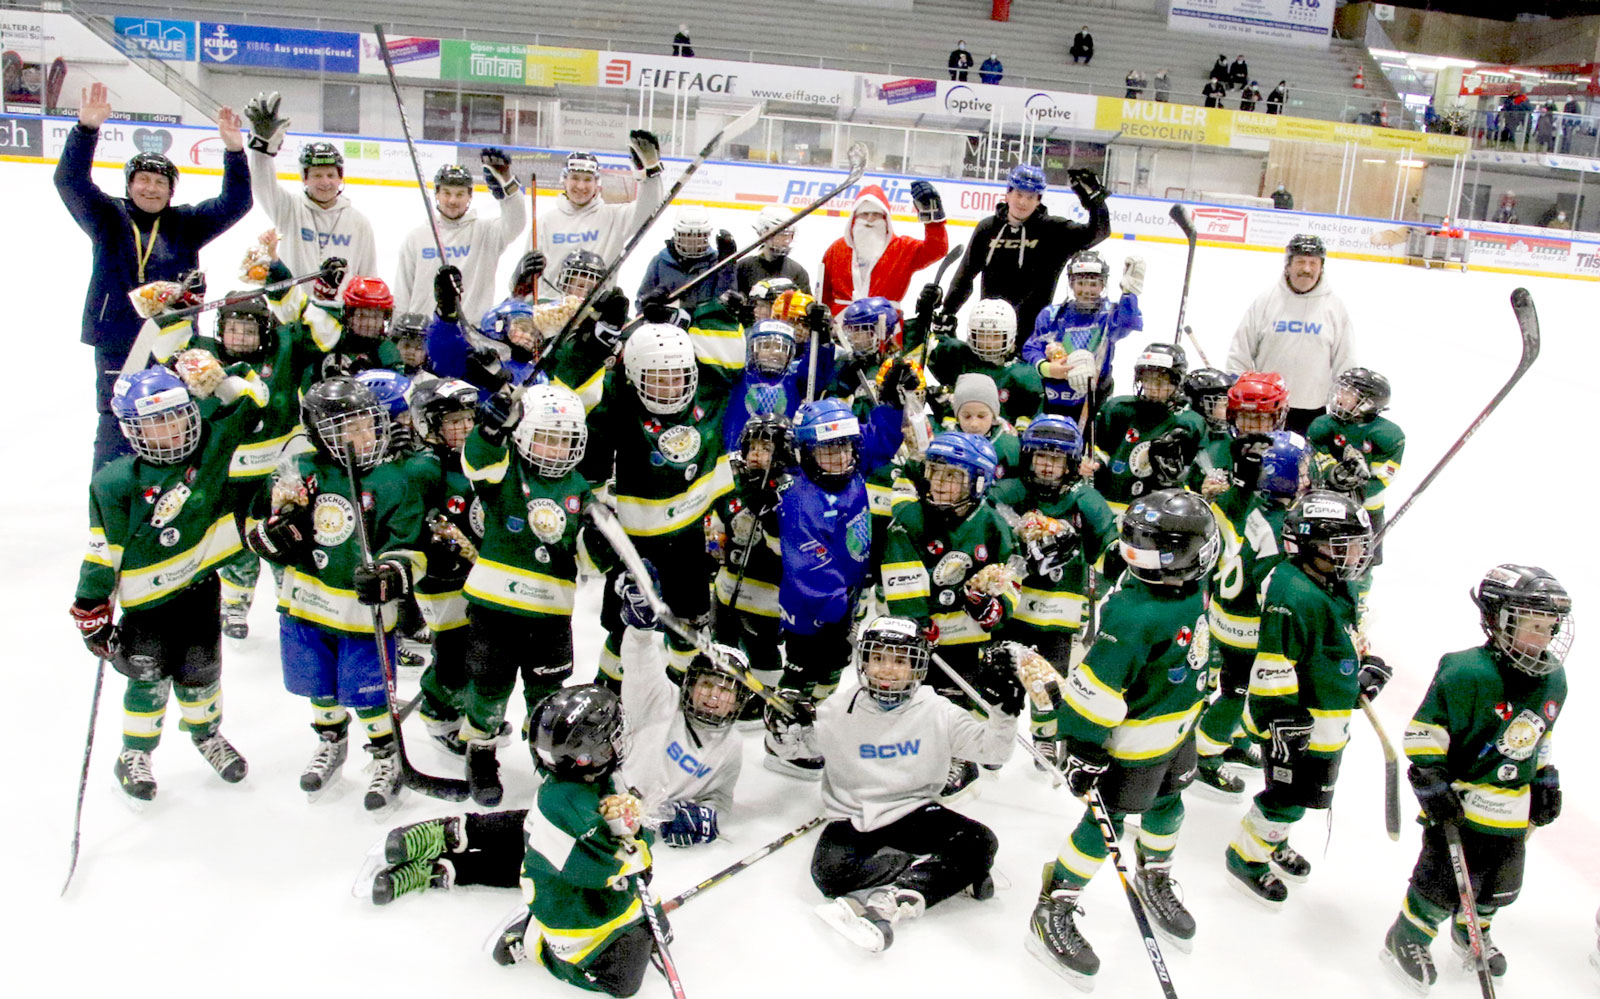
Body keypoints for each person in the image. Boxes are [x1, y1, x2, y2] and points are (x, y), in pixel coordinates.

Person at [1023, 488, 1219, 983]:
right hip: (1133, 747)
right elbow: (1096, 685)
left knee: (1170, 804)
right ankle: (1055, 905)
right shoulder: (1135, 614)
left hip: (1179, 726)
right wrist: (1085, 747)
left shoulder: (1185, 583)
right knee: (1102, 823)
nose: (1138, 551)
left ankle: (1154, 874)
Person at [72, 361, 268, 803]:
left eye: (178, 416)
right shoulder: (115, 485)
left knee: (202, 673)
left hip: (199, 589)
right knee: (146, 677)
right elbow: (102, 554)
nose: (174, 431)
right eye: (157, 424)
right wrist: (92, 609)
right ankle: (134, 753)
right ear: (133, 431)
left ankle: (206, 735)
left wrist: (216, 378)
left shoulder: (211, 446)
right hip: (146, 607)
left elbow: (255, 399)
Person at [1379, 565, 1570, 992]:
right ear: (1499, 620)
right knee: (1440, 882)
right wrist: (1431, 782)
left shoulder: (1553, 677)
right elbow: (1425, 734)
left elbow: (1541, 735)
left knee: (1500, 884)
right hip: (1462, 806)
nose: (1542, 638)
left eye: (1549, 627)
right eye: (1532, 627)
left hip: (1512, 811)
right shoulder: (1466, 672)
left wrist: (1545, 778)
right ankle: (1406, 937)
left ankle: (1472, 931)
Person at [243, 376, 427, 811]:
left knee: (369, 696)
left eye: (367, 424)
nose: (363, 436)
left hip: (363, 618)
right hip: (304, 607)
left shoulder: (395, 479)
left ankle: (386, 756)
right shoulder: (300, 471)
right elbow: (261, 527)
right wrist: (271, 538)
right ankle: (331, 743)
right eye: (348, 428)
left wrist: (391, 574)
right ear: (320, 434)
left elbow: (412, 550)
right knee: (319, 689)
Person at [56, 82, 252, 470]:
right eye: (142, 180)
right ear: (129, 185)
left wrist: (234, 151)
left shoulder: (186, 223)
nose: (151, 188)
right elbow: (70, 182)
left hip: (171, 341)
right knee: (116, 421)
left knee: (173, 418)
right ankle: (110, 503)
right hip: (116, 339)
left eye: (160, 182)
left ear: (171, 190)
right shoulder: (107, 218)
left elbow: (236, 202)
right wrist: (85, 130)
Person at [810, 617, 1019, 952]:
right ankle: (944, 872)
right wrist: (785, 728)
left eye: (899, 660)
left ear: (916, 666)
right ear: (863, 662)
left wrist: (1003, 715)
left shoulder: (937, 710)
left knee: (981, 841)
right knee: (829, 874)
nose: (887, 670)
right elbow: (800, 746)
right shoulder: (836, 710)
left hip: (916, 810)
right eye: (878, 658)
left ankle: (905, 891)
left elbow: (993, 751)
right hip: (854, 815)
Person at [1224, 490, 1385, 907]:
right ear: (1313, 544)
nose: (1355, 553)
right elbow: (1273, 665)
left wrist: (1360, 672)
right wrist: (1281, 720)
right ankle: (1247, 856)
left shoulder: (1333, 584)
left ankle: (1273, 842)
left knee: (1305, 795)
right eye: (1344, 543)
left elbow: (1337, 646)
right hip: (1293, 724)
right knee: (1285, 800)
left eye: (1356, 543)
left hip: (1326, 720)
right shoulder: (1293, 595)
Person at [880, 431, 1017, 800]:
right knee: (913, 696)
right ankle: (914, 752)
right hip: (923, 635)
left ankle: (963, 755)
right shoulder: (910, 517)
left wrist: (995, 608)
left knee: (960, 699)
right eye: (935, 472)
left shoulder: (993, 524)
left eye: (953, 476)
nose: (939, 484)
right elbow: (900, 575)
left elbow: (1011, 580)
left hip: (970, 638)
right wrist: (916, 624)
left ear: (979, 482)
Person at [942, 164, 1110, 339]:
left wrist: (1095, 201)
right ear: (1008, 194)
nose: (1023, 202)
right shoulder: (987, 229)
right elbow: (965, 275)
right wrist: (948, 311)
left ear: (1039, 200)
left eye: (1030, 197)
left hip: (1034, 337)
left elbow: (1098, 233)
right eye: (1019, 194)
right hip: (989, 333)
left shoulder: (1054, 231)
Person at [242, 92, 377, 292]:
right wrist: (261, 150)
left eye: (331, 175)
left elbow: (368, 276)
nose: (325, 182)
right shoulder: (289, 209)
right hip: (292, 311)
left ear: (341, 178)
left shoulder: (359, 223)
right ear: (304, 178)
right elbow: (262, 184)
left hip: (337, 319)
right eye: (317, 175)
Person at [1226, 234, 1356, 435]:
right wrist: (1241, 394)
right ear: (1288, 265)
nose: (1307, 269)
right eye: (1300, 262)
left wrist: (1346, 398)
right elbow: (1239, 354)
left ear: (1321, 267)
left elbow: (1346, 360)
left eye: (1313, 263)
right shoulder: (1266, 301)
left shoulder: (1334, 308)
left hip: (1313, 412)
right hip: (1264, 412)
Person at [1307, 367, 1403, 620]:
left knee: (1361, 561)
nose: (1340, 396)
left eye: (1348, 394)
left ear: (1368, 403)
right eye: (1341, 390)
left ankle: (1357, 605)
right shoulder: (1324, 424)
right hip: (1324, 505)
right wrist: (1331, 472)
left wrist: (1359, 485)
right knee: (1317, 552)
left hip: (1365, 512)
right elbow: (1314, 455)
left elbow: (1383, 478)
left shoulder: (1388, 436)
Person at [392, 152, 526, 323]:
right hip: (423, 334)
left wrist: (508, 185)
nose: (452, 200)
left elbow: (517, 222)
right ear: (437, 194)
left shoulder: (486, 232)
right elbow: (403, 290)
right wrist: (398, 330)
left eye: (460, 194)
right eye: (446, 193)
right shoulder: (417, 237)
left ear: (470, 196)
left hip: (470, 333)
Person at [1024, 249, 1144, 420]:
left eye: (1093, 284)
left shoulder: (1109, 313)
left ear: (1103, 285)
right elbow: (1031, 348)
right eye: (1081, 283)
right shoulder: (1052, 314)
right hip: (1055, 393)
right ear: (1071, 283)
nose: (1087, 290)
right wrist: (1048, 368)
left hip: (1095, 392)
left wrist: (1129, 294)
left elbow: (1129, 322)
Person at [536, 135, 665, 282]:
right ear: (564, 180)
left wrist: (650, 174)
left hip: (598, 304)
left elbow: (649, 209)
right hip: (554, 303)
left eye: (587, 179)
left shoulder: (614, 218)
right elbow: (529, 278)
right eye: (575, 178)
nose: (581, 186)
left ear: (597, 183)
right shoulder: (545, 222)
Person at [819, 182, 949, 315]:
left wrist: (932, 216)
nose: (869, 219)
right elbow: (823, 294)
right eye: (864, 214)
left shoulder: (902, 249)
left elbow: (937, 249)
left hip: (887, 327)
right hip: (840, 327)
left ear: (885, 218)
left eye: (876, 214)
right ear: (854, 217)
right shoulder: (836, 250)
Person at [637, 205, 736, 310]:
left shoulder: (716, 262)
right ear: (677, 235)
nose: (693, 242)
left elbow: (725, 304)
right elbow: (641, 301)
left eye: (699, 236)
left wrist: (727, 269)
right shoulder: (661, 261)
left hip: (704, 324)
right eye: (687, 236)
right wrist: (651, 308)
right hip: (669, 323)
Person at [737, 205, 811, 293]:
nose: (787, 240)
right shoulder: (744, 267)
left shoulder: (797, 272)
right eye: (782, 234)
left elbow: (804, 302)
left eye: (790, 234)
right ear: (763, 233)